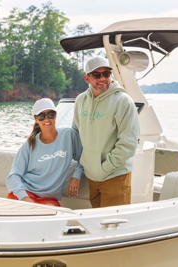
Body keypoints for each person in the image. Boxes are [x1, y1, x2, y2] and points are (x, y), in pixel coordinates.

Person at [72, 56, 140, 208]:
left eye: (106, 73)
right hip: (91, 176)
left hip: (115, 175)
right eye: (96, 75)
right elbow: (76, 134)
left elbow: (128, 145)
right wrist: (83, 167)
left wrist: (103, 169)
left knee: (115, 226)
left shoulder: (123, 101)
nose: (102, 78)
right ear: (86, 78)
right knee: (97, 223)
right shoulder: (80, 100)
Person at [6, 98, 83, 206]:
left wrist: (76, 177)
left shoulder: (69, 135)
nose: (46, 119)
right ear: (36, 119)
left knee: (51, 216)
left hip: (48, 199)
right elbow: (13, 176)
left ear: (56, 115)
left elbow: (83, 158)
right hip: (25, 194)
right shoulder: (29, 145)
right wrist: (25, 198)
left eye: (50, 114)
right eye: (41, 116)